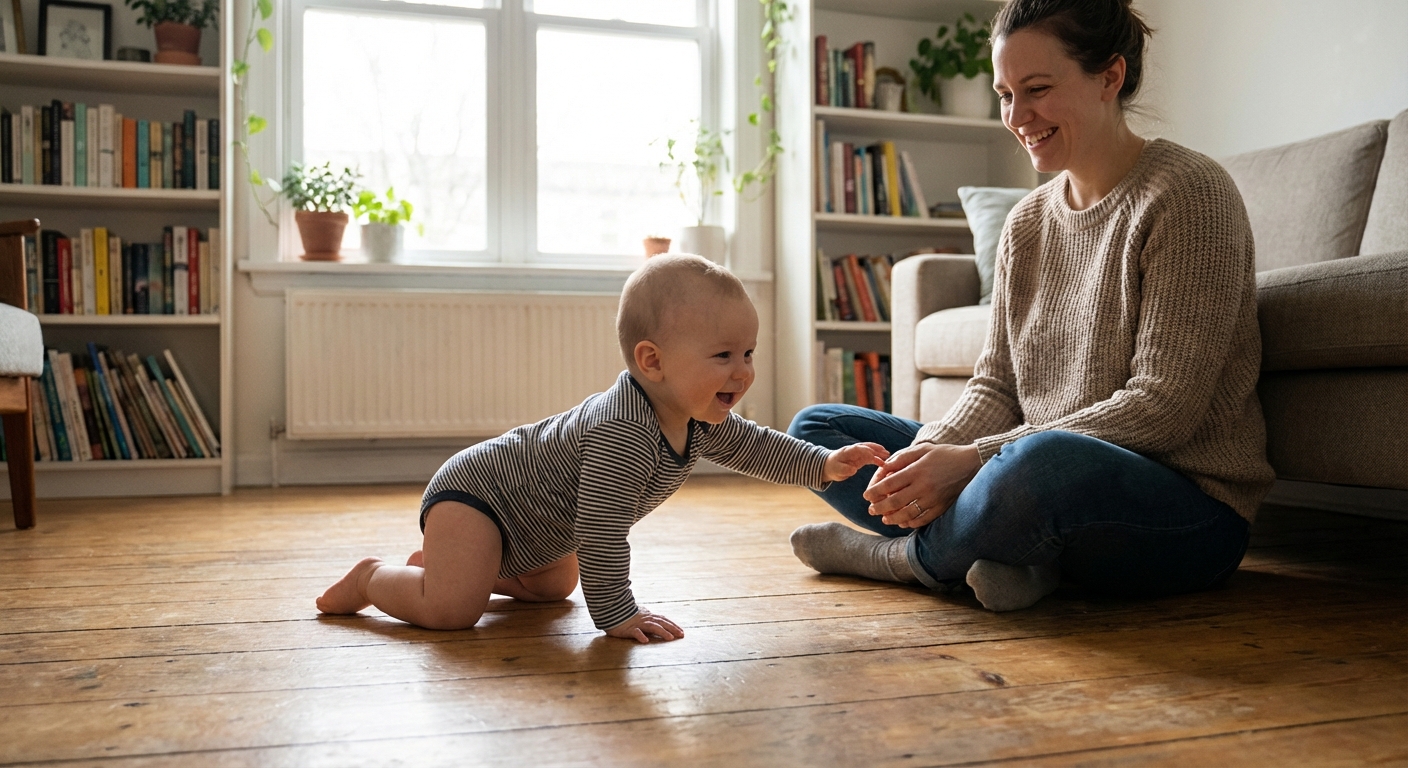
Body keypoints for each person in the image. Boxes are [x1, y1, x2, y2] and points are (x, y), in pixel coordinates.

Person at [787, 0, 1275, 612]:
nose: (1018, 116)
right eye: (1005, 94)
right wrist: (928, 459)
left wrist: (975, 462)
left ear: (1109, 77)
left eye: (1037, 88)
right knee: (819, 431)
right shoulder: (1026, 223)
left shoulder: (1189, 194)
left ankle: (903, 559)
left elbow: (1163, 408)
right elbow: (996, 385)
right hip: (1031, 471)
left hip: (1184, 508)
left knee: (1039, 465)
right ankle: (1014, 555)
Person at [316, 254, 887, 642]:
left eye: (749, 353)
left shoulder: (695, 411)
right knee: (452, 614)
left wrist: (824, 463)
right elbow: (602, 528)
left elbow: (755, 447)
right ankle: (373, 576)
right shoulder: (622, 433)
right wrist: (616, 611)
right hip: (478, 498)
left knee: (553, 588)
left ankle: (452, 567)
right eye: (723, 356)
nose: (743, 372)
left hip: (538, 530)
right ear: (652, 361)